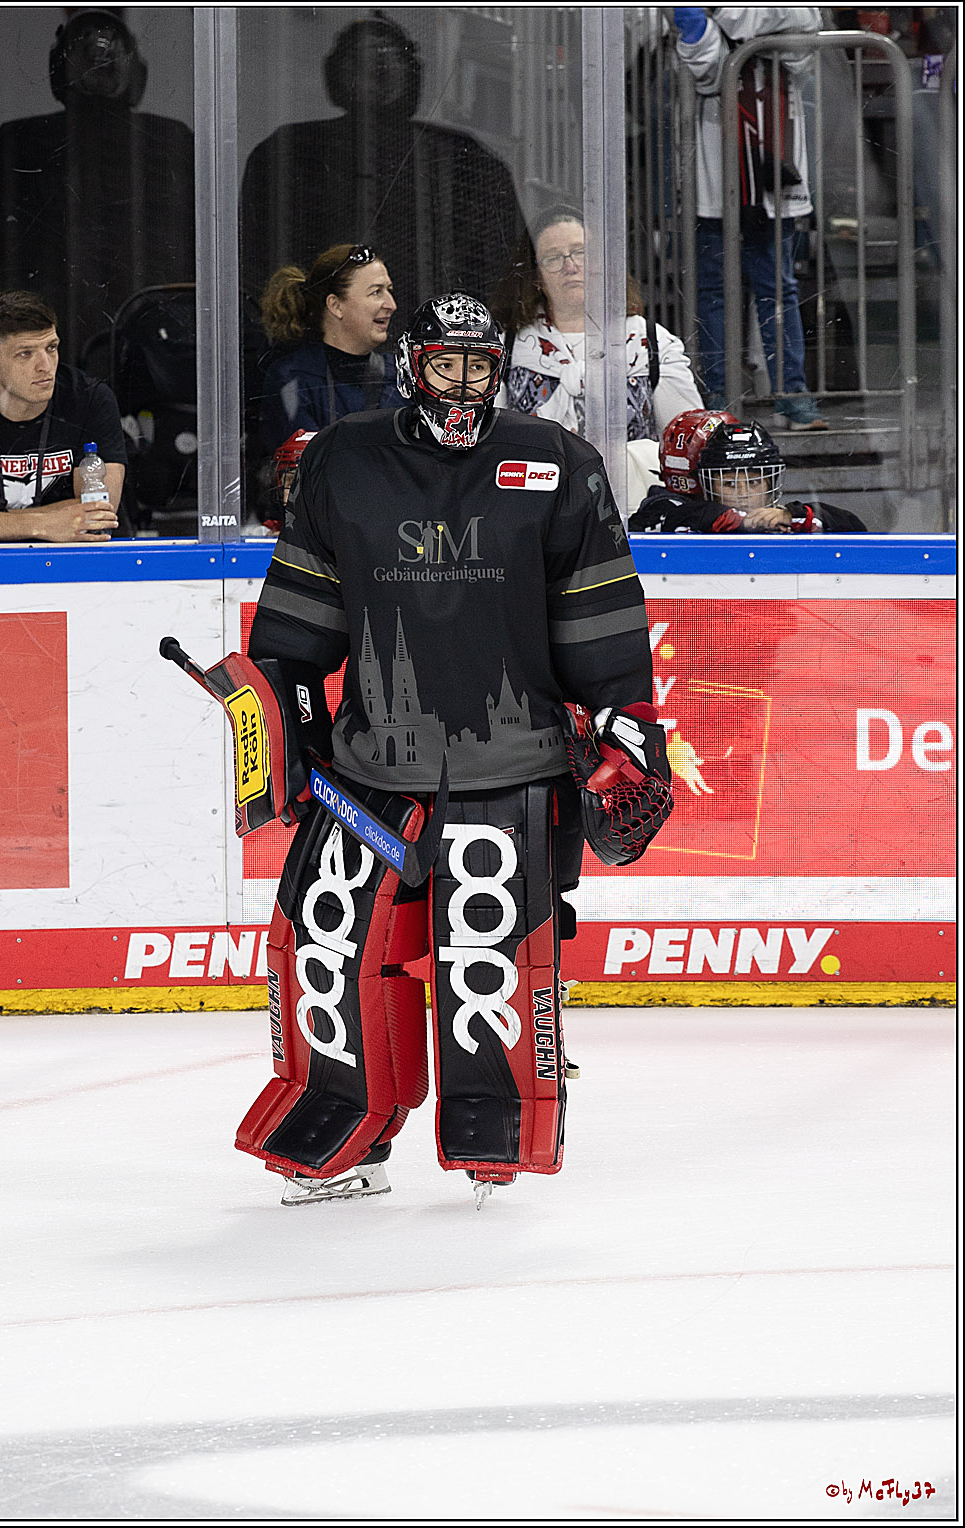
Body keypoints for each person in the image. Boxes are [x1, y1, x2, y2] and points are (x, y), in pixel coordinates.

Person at [233, 293, 672, 1206]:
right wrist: (281, 715)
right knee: (328, 944)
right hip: (369, 765)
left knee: (491, 956)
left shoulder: (555, 461)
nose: (464, 384)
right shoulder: (345, 459)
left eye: (479, 366)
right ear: (412, 365)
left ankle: (499, 1128)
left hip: (511, 762)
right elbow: (300, 615)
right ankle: (343, 1125)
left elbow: (597, 616)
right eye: (446, 365)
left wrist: (627, 723)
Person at [0, 9, 195, 372]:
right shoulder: (171, 144)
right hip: (128, 359)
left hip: (98, 359)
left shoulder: (15, 145)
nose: (98, 61)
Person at [241, 16, 525, 323]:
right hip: (322, 341)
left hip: (434, 345)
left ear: (412, 73)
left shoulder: (461, 158)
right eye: (362, 61)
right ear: (337, 73)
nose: (378, 71)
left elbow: (503, 269)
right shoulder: (291, 153)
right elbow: (261, 270)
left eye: (388, 58)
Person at [673, 7, 829, 431]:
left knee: (778, 288)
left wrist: (729, 23)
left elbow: (801, 26)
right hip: (714, 177)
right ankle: (716, 402)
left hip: (775, 174)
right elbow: (706, 66)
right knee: (714, 291)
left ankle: (792, 397)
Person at [491, 206, 702, 499]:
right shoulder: (507, 348)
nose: (570, 266)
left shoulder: (650, 343)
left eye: (581, 252)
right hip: (535, 515)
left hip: (632, 511)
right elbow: (488, 446)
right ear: (536, 276)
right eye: (553, 258)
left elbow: (689, 445)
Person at [0, 290, 125, 544]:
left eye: (51, 348)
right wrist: (44, 524)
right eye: (25, 354)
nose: (46, 366)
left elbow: (99, 516)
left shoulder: (89, 398)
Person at [629, 409, 868, 532]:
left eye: (753, 481)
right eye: (730, 482)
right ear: (704, 478)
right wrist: (742, 522)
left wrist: (793, 516)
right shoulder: (667, 511)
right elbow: (675, 516)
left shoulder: (780, 518)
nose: (743, 493)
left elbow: (854, 528)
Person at [258, 244, 401, 447]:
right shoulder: (293, 379)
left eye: (389, 290)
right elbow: (302, 467)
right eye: (376, 292)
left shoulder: (402, 376)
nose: (391, 305)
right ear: (335, 305)